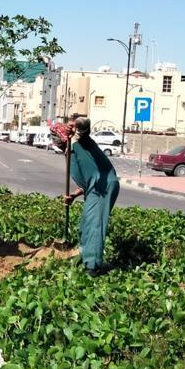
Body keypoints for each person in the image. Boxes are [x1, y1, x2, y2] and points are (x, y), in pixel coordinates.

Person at [58, 116, 120, 276]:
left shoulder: (81, 140)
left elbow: (84, 124)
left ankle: (92, 267)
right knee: (86, 223)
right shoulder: (70, 151)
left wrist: (77, 125)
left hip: (103, 186)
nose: (58, 141)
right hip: (93, 187)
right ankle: (87, 258)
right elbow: (85, 180)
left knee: (94, 223)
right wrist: (73, 195)